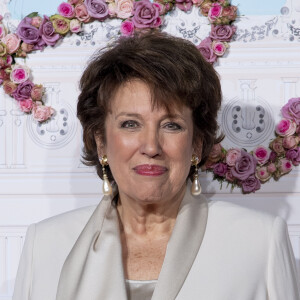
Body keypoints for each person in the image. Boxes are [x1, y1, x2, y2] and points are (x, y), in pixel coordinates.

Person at [13, 32, 299, 300]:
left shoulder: (261, 242)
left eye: (171, 125)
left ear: (197, 145)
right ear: (101, 142)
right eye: (130, 124)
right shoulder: (45, 245)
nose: (151, 146)